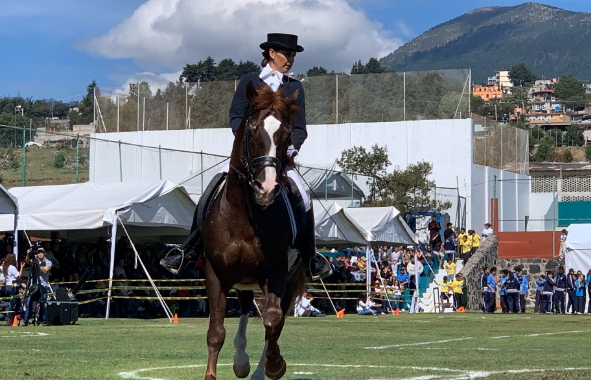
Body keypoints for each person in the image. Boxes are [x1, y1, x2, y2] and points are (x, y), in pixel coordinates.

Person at [160, 33, 330, 280]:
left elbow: (300, 127)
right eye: (287, 54)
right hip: (249, 158)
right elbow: (236, 117)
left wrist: (291, 148)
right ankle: (188, 249)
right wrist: (245, 147)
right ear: (272, 53)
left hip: (281, 159)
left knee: (303, 197)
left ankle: (310, 256)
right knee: (210, 191)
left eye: (293, 55)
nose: (291, 60)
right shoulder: (250, 81)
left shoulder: (295, 87)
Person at [23, 247, 52, 326]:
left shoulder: (48, 262)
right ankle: (26, 320)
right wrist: (28, 254)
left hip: (43, 286)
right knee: (29, 303)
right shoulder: (35, 261)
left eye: (41, 252)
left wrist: (37, 264)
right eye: (38, 252)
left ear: (44, 253)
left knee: (42, 304)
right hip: (34, 286)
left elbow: (45, 270)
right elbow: (27, 262)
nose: (40, 254)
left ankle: (40, 321)